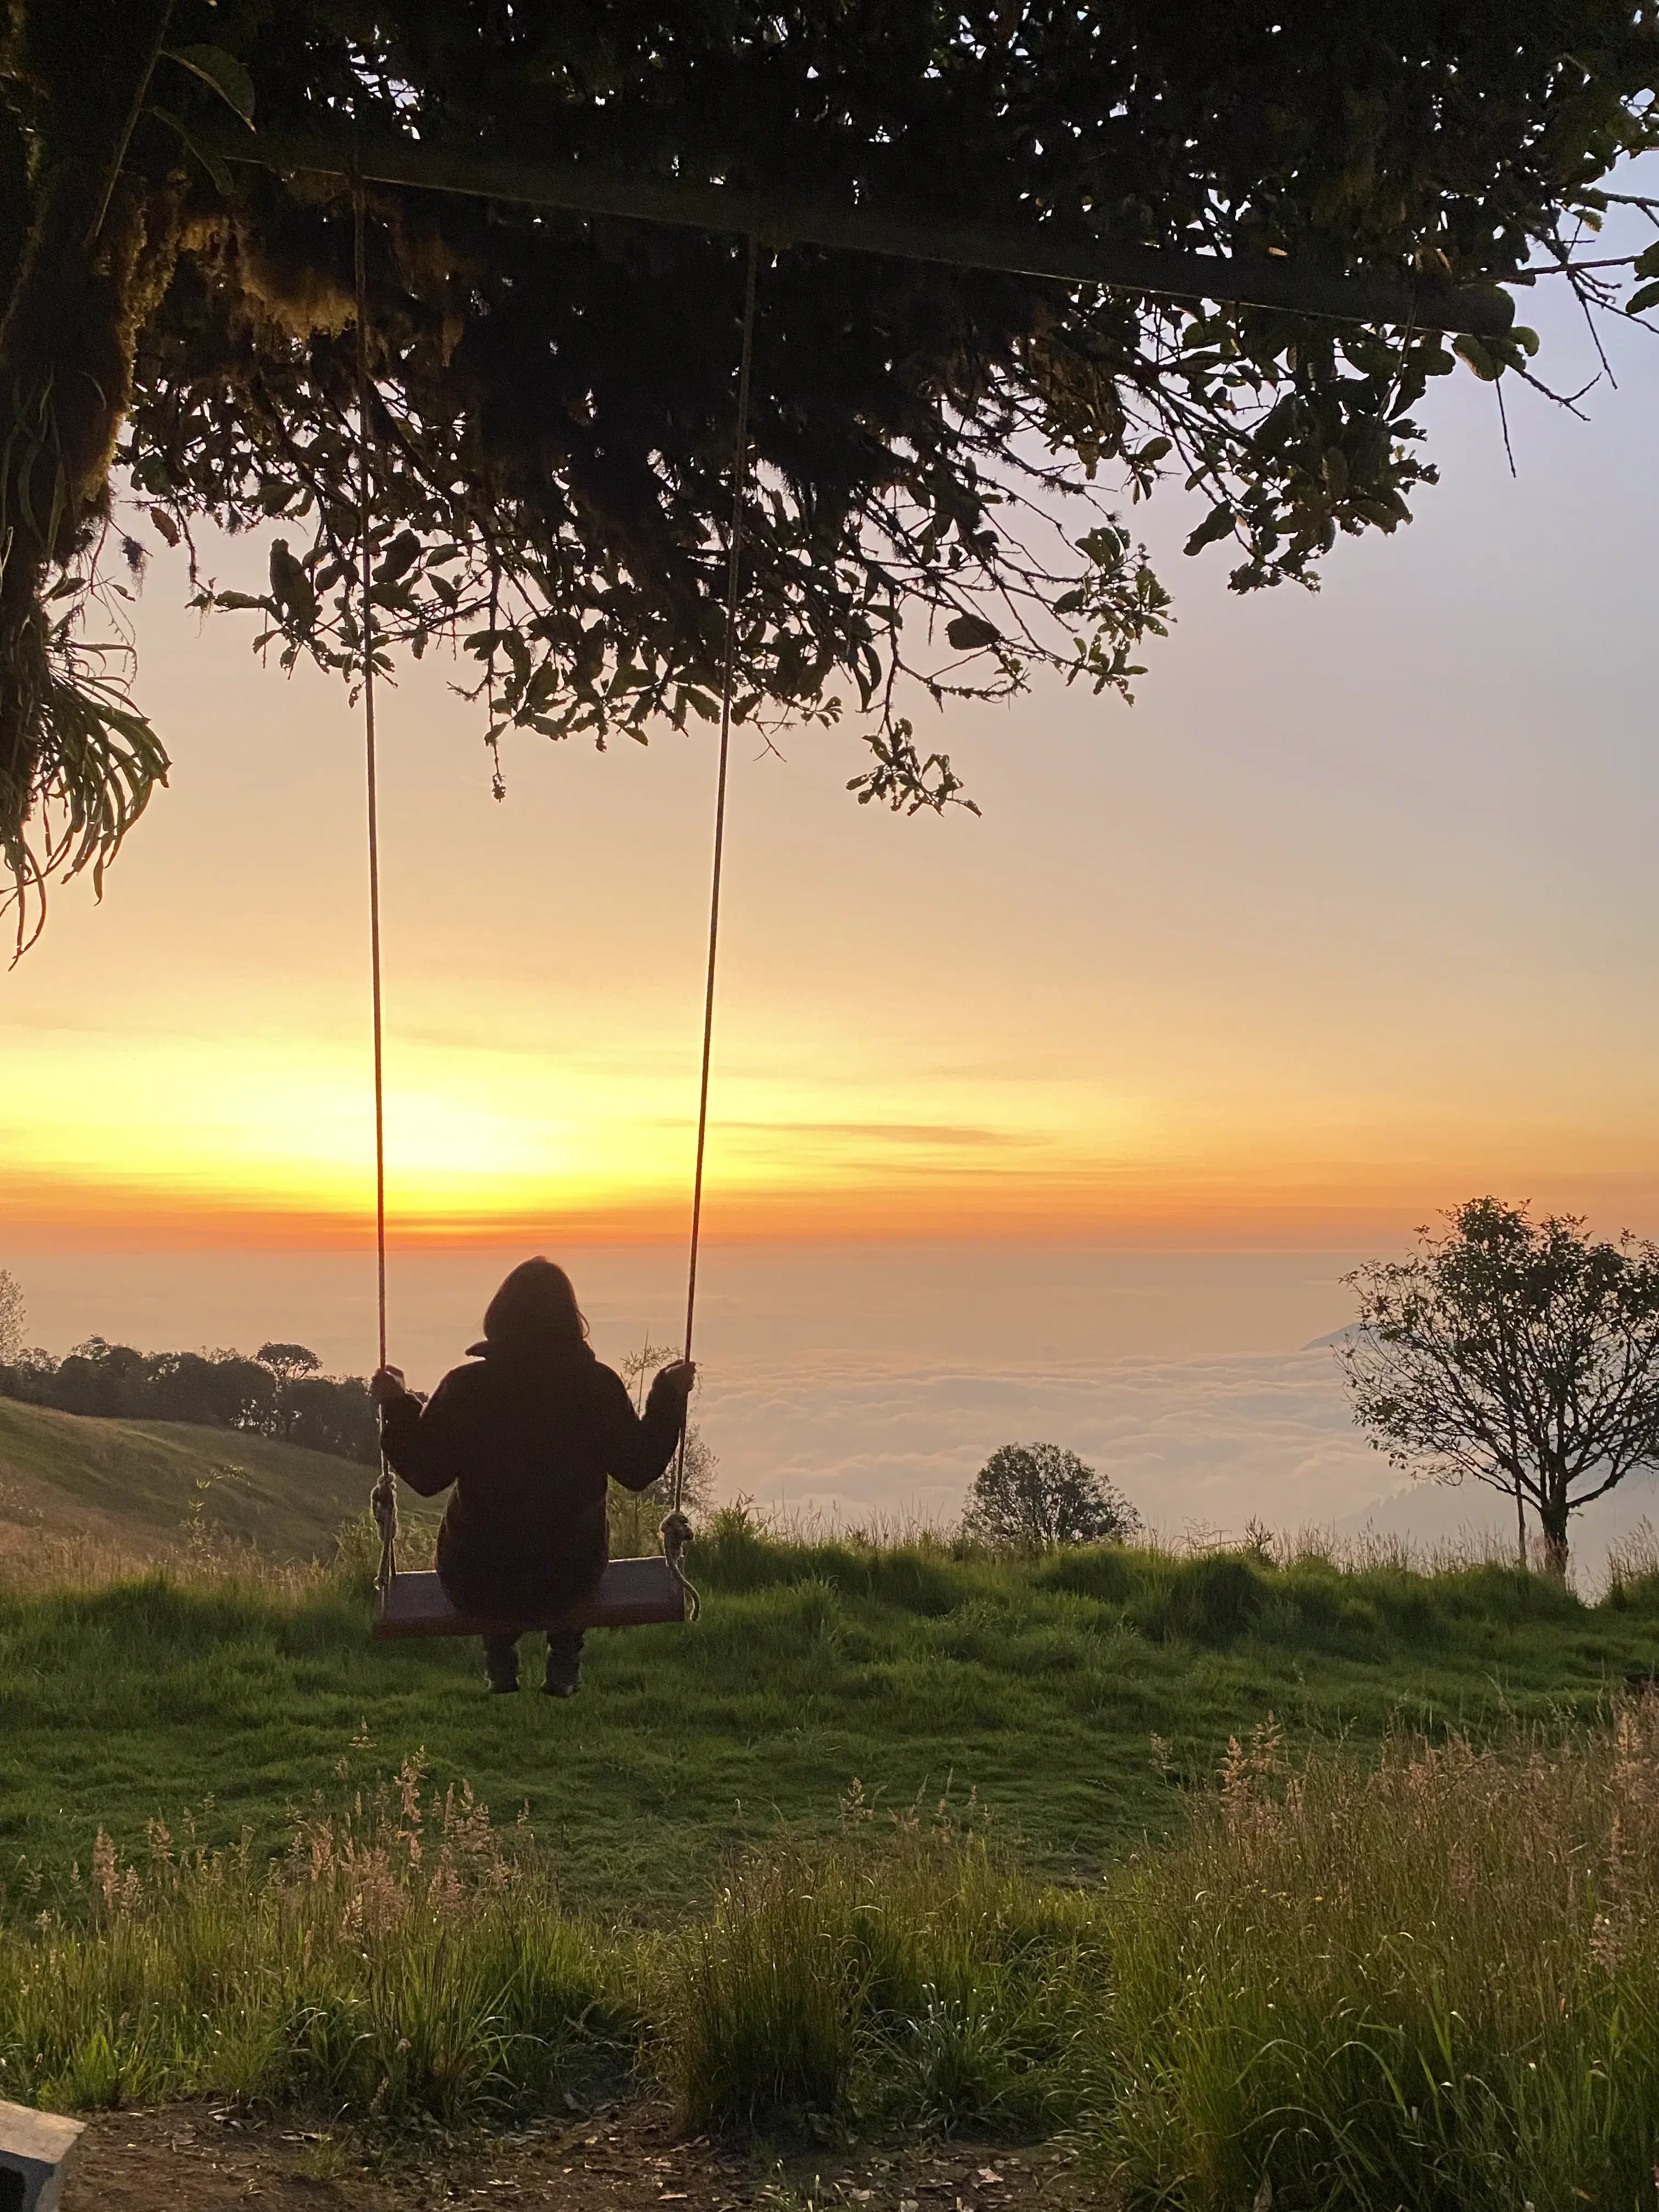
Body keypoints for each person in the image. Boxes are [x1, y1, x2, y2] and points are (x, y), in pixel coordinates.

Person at [371, 1257, 694, 1696]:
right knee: (566, 1530)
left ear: (499, 1316)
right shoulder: (595, 1385)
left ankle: (499, 1652)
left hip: (475, 1582)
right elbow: (638, 1469)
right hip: (569, 1581)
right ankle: (566, 1651)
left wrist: (397, 1405)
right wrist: (667, 1397)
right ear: (570, 1320)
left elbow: (427, 1474)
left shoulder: (467, 1387)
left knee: (492, 1534)